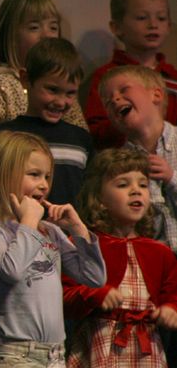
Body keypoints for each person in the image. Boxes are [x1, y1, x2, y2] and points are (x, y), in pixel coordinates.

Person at [0, 130, 106, 367]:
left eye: (47, 176)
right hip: (15, 353)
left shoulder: (49, 230)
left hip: (55, 354)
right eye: (34, 175)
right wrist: (29, 222)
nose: (44, 185)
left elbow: (94, 277)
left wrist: (78, 229)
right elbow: (11, 270)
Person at [63, 148, 177, 367]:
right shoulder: (86, 245)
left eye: (142, 185)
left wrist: (171, 309)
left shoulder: (160, 252)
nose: (136, 191)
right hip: (101, 343)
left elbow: (171, 294)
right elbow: (65, 296)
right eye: (123, 185)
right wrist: (95, 295)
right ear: (99, 198)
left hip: (146, 348)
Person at [0, 0, 87, 143]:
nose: (47, 35)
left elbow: (79, 135)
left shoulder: (63, 84)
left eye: (53, 27)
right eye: (34, 28)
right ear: (11, 34)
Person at [0, 38, 94, 206]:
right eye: (52, 90)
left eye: (70, 93)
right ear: (25, 79)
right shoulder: (6, 136)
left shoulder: (81, 139)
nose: (61, 102)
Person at [85, 0, 177, 150]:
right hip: (126, 161)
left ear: (169, 26)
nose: (153, 24)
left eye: (161, 18)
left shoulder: (172, 78)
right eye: (142, 17)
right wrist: (128, 120)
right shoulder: (107, 76)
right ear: (117, 27)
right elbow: (95, 131)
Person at [99, 65, 177, 254]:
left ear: (156, 95)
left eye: (124, 89)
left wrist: (171, 178)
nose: (115, 99)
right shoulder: (120, 163)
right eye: (108, 102)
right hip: (154, 262)